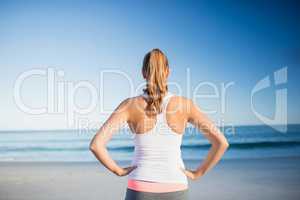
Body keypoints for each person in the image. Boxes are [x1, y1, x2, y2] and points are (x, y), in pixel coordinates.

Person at [90, 48, 229, 200]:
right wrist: (198, 173)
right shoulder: (185, 105)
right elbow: (221, 143)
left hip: (140, 187)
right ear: (168, 71)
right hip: (176, 184)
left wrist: (118, 170)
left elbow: (96, 145)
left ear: (143, 73)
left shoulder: (129, 105)